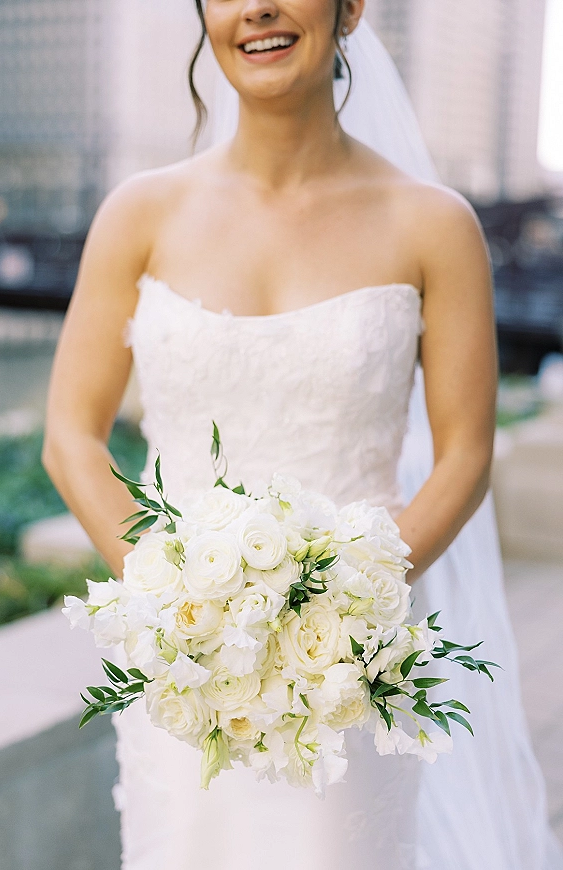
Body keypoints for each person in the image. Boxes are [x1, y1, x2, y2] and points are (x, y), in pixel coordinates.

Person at [42, 2, 563, 868]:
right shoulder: (138, 213)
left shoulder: (435, 225)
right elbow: (69, 433)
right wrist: (180, 606)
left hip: (349, 675)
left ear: (351, 6)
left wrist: (344, 606)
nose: (258, 9)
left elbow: (466, 453)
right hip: (185, 673)